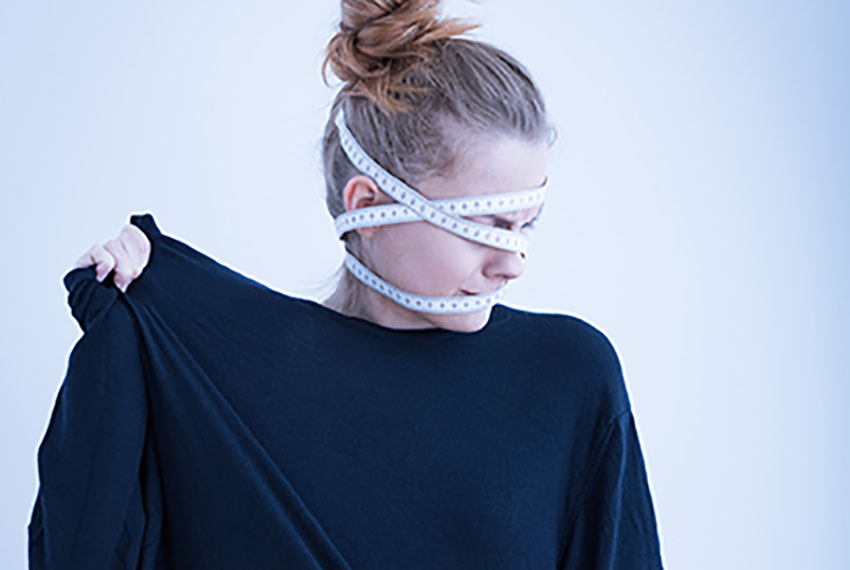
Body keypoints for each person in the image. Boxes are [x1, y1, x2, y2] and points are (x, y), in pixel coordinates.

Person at [35, 1, 664, 568]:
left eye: (526, 226)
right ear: (369, 205)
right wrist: (134, 308)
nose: (514, 263)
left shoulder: (567, 379)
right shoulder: (223, 380)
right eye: (485, 227)